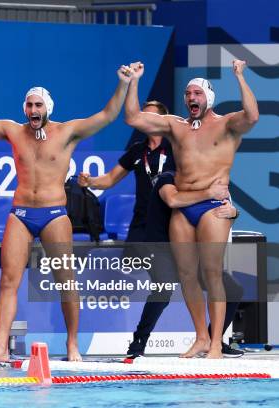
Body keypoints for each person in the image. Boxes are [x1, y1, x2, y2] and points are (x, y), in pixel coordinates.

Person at [0, 66, 134, 362]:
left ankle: (73, 345)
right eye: (29, 104)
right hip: (21, 214)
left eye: (38, 105)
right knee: (8, 281)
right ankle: (0, 347)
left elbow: (108, 115)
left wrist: (123, 84)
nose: (32, 109)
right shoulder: (14, 132)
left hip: (54, 214)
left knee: (66, 281)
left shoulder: (67, 132)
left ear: (47, 108)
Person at [124, 59, 258, 358]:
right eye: (187, 94)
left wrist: (239, 76)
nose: (190, 99)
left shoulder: (227, 125)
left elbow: (252, 115)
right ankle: (199, 337)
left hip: (213, 207)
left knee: (212, 273)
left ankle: (214, 343)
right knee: (186, 274)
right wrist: (133, 81)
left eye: (196, 94)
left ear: (208, 98)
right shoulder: (176, 125)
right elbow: (133, 118)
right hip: (185, 207)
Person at [125, 170, 243, 358]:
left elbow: (225, 209)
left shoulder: (211, 181)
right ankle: (138, 344)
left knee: (233, 289)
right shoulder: (167, 179)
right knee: (163, 289)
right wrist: (210, 193)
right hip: (161, 247)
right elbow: (173, 200)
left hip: (189, 250)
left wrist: (234, 213)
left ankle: (214, 341)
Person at [78, 100, 175, 242]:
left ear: (164, 120)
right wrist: (89, 181)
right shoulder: (137, 150)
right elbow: (110, 178)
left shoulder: (175, 147)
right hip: (140, 222)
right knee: (131, 263)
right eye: (143, 115)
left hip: (168, 220)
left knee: (164, 264)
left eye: (151, 116)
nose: (145, 119)